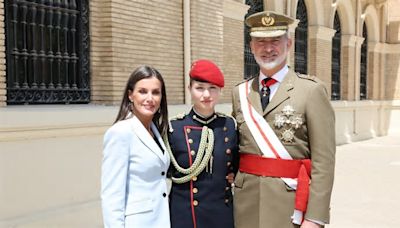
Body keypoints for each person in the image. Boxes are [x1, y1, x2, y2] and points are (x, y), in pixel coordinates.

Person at [232, 11, 336, 228]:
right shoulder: (240, 92)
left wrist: (315, 218)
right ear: (251, 46)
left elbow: (323, 162)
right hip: (246, 206)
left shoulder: (311, 91)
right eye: (260, 41)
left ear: (288, 44)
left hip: (290, 207)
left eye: (275, 41)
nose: (268, 48)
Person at [166, 59, 238, 228]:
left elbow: (238, 164)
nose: (206, 95)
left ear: (220, 90)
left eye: (212, 88)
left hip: (222, 213)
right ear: (189, 89)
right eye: (199, 88)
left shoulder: (229, 125)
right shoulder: (173, 128)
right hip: (185, 215)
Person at [101, 66, 170, 228]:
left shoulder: (156, 131)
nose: (149, 98)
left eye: (155, 92)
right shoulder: (120, 132)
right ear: (130, 95)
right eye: (143, 91)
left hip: (160, 219)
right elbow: (112, 194)